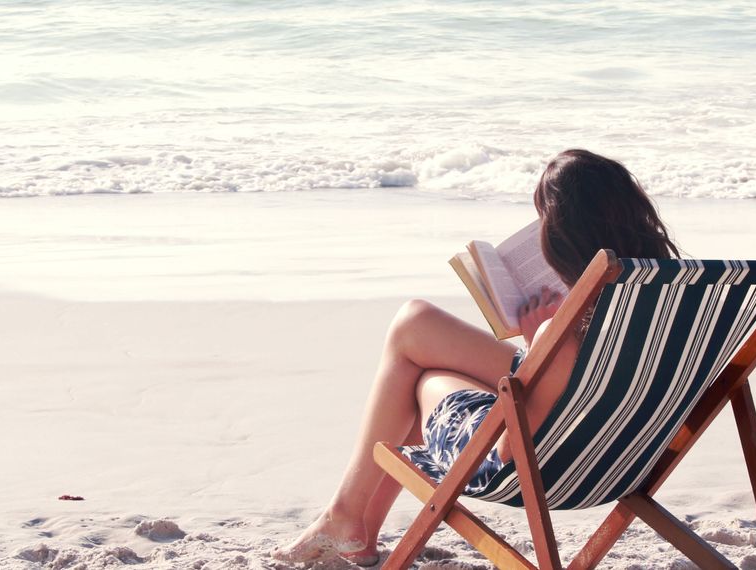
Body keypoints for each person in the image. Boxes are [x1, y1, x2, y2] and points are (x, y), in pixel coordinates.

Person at [272, 149, 680, 566]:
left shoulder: (563, 338)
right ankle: (353, 524)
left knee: (418, 374)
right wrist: (543, 343)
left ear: (563, 235)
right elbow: (586, 388)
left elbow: (514, 440)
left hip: (532, 470)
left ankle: (346, 518)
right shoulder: (668, 303)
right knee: (415, 328)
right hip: (621, 459)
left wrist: (538, 343)